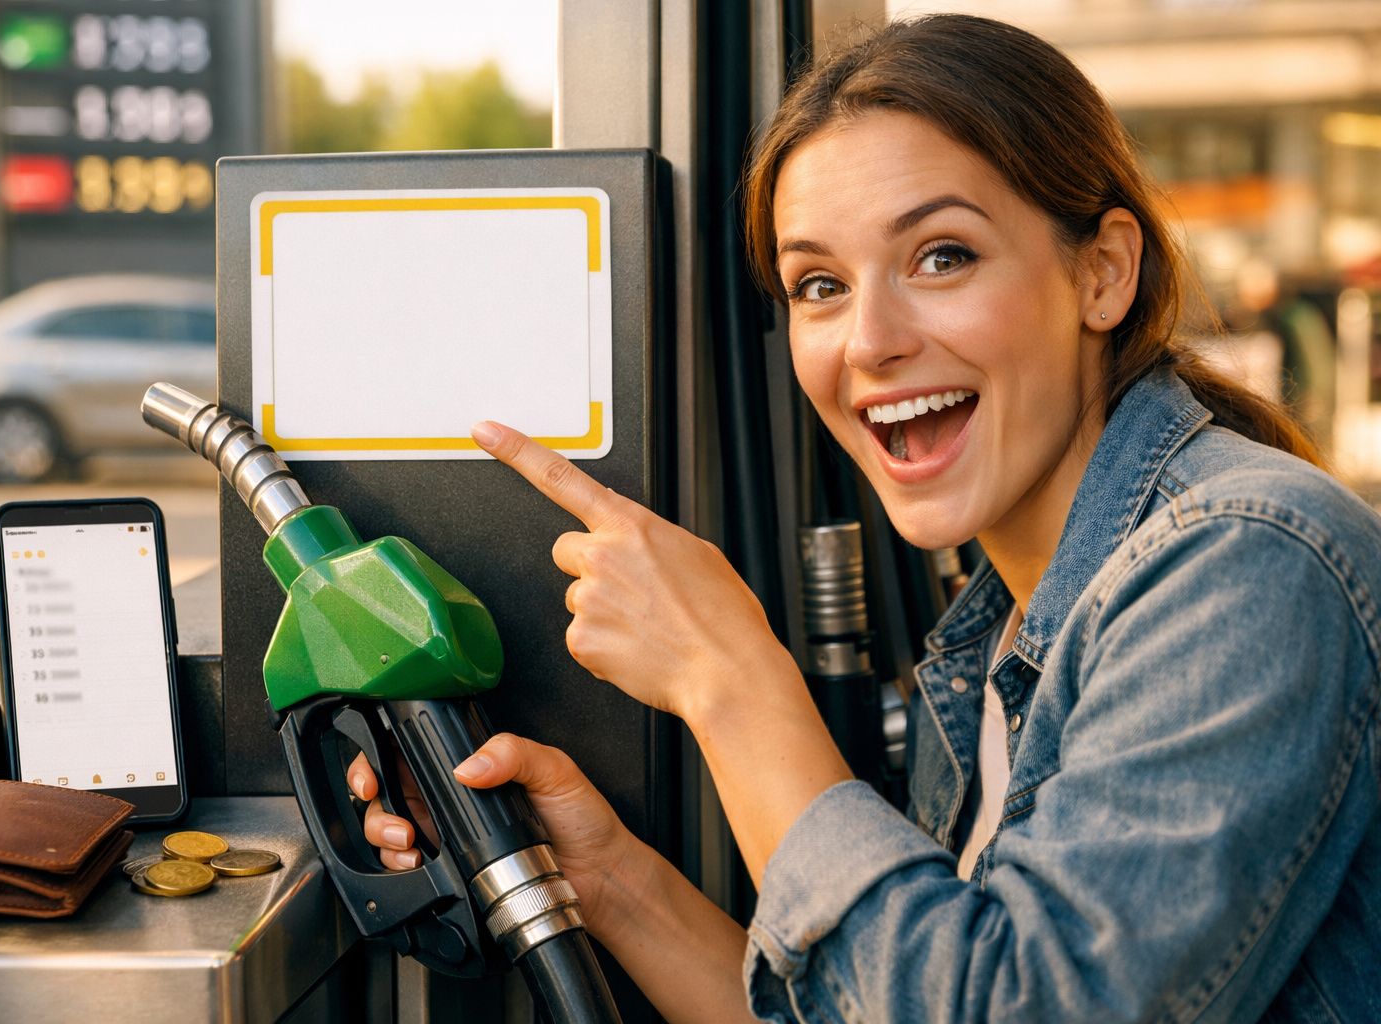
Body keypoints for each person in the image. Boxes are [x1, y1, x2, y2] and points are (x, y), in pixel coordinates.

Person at [349, 14, 1381, 1022]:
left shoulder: (1247, 558)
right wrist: (607, 875)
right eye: (819, 284)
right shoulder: (997, 638)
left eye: (942, 256)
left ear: (1102, 272)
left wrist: (731, 678)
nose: (870, 341)